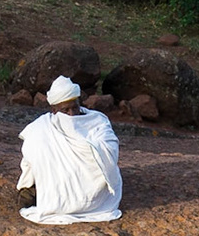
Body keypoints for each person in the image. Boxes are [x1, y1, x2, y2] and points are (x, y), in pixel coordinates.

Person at [17, 75, 122, 224]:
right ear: (54, 110)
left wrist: (89, 148)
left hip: (95, 198)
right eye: (65, 111)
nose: (71, 115)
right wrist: (27, 184)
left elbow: (110, 149)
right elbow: (30, 162)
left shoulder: (97, 121)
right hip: (58, 190)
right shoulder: (40, 129)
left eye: (75, 108)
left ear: (80, 103)